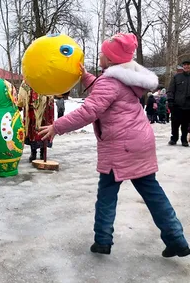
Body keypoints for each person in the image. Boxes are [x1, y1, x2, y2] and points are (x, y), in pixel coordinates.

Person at [39, 33, 190, 258]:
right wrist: (86, 77)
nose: (99, 56)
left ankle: (102, 240)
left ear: (109, 60)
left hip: (122, 145)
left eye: (101, 54)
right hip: (139, 141)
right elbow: (108, 92)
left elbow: (90, 109)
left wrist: (57, 126)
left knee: (107, 193)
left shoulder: (110, 81)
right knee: (152, 192)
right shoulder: (125, 78)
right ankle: (176, 239)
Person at [17, 82, 54, 162]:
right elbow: (22, 93)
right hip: (31, 111)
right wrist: (19, 105)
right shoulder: (27, 80)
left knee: (43, 130)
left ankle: (43, 152)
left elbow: (52, 91)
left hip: (44, 110)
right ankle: (33, 152)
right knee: (32, 132)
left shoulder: (46, 78)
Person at [167, 60, 190, 147]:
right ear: (182, 66)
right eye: (185, 65)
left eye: (188, 65)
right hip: (177, 105)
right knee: (175, 124)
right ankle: (174, 138)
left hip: (188, 106)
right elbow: (170, 90)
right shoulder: (177, 77)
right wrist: (170, 100)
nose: (186, 66)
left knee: (185, 124)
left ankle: (184, 139)